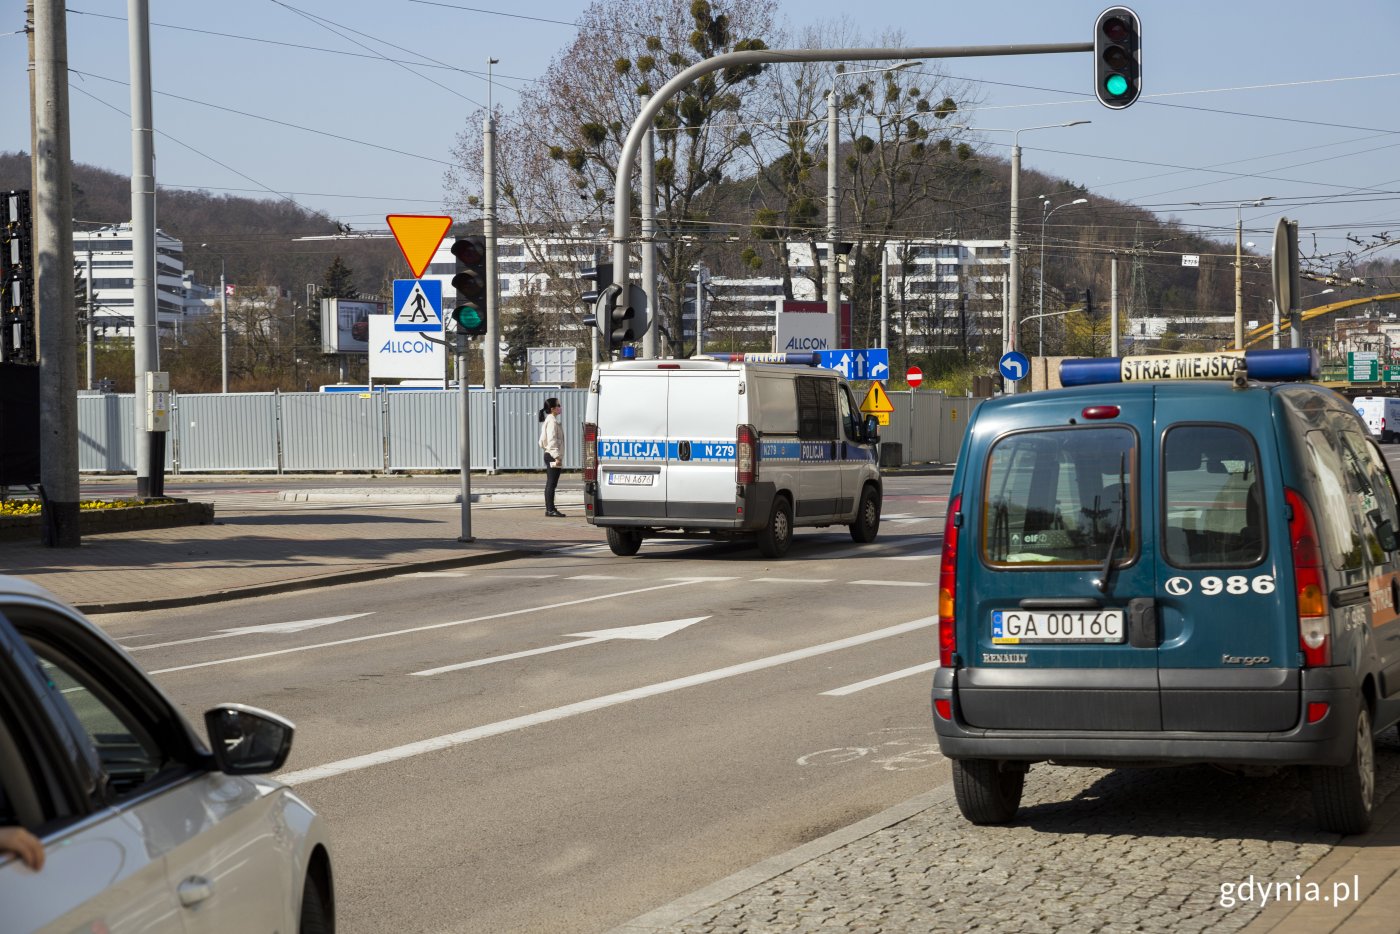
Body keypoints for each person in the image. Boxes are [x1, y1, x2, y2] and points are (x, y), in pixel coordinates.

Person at [538, 397, 566, 517]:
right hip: (552, 455)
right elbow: (552, 440)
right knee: (551, 483)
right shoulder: (552, 422)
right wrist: (557, 456)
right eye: (558, 405)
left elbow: (542, 441)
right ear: (553, 408)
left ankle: (551, 508)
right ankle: (550, 510)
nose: (560, 407)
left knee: (552, 483)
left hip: (550, 454)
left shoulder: (550, 420)